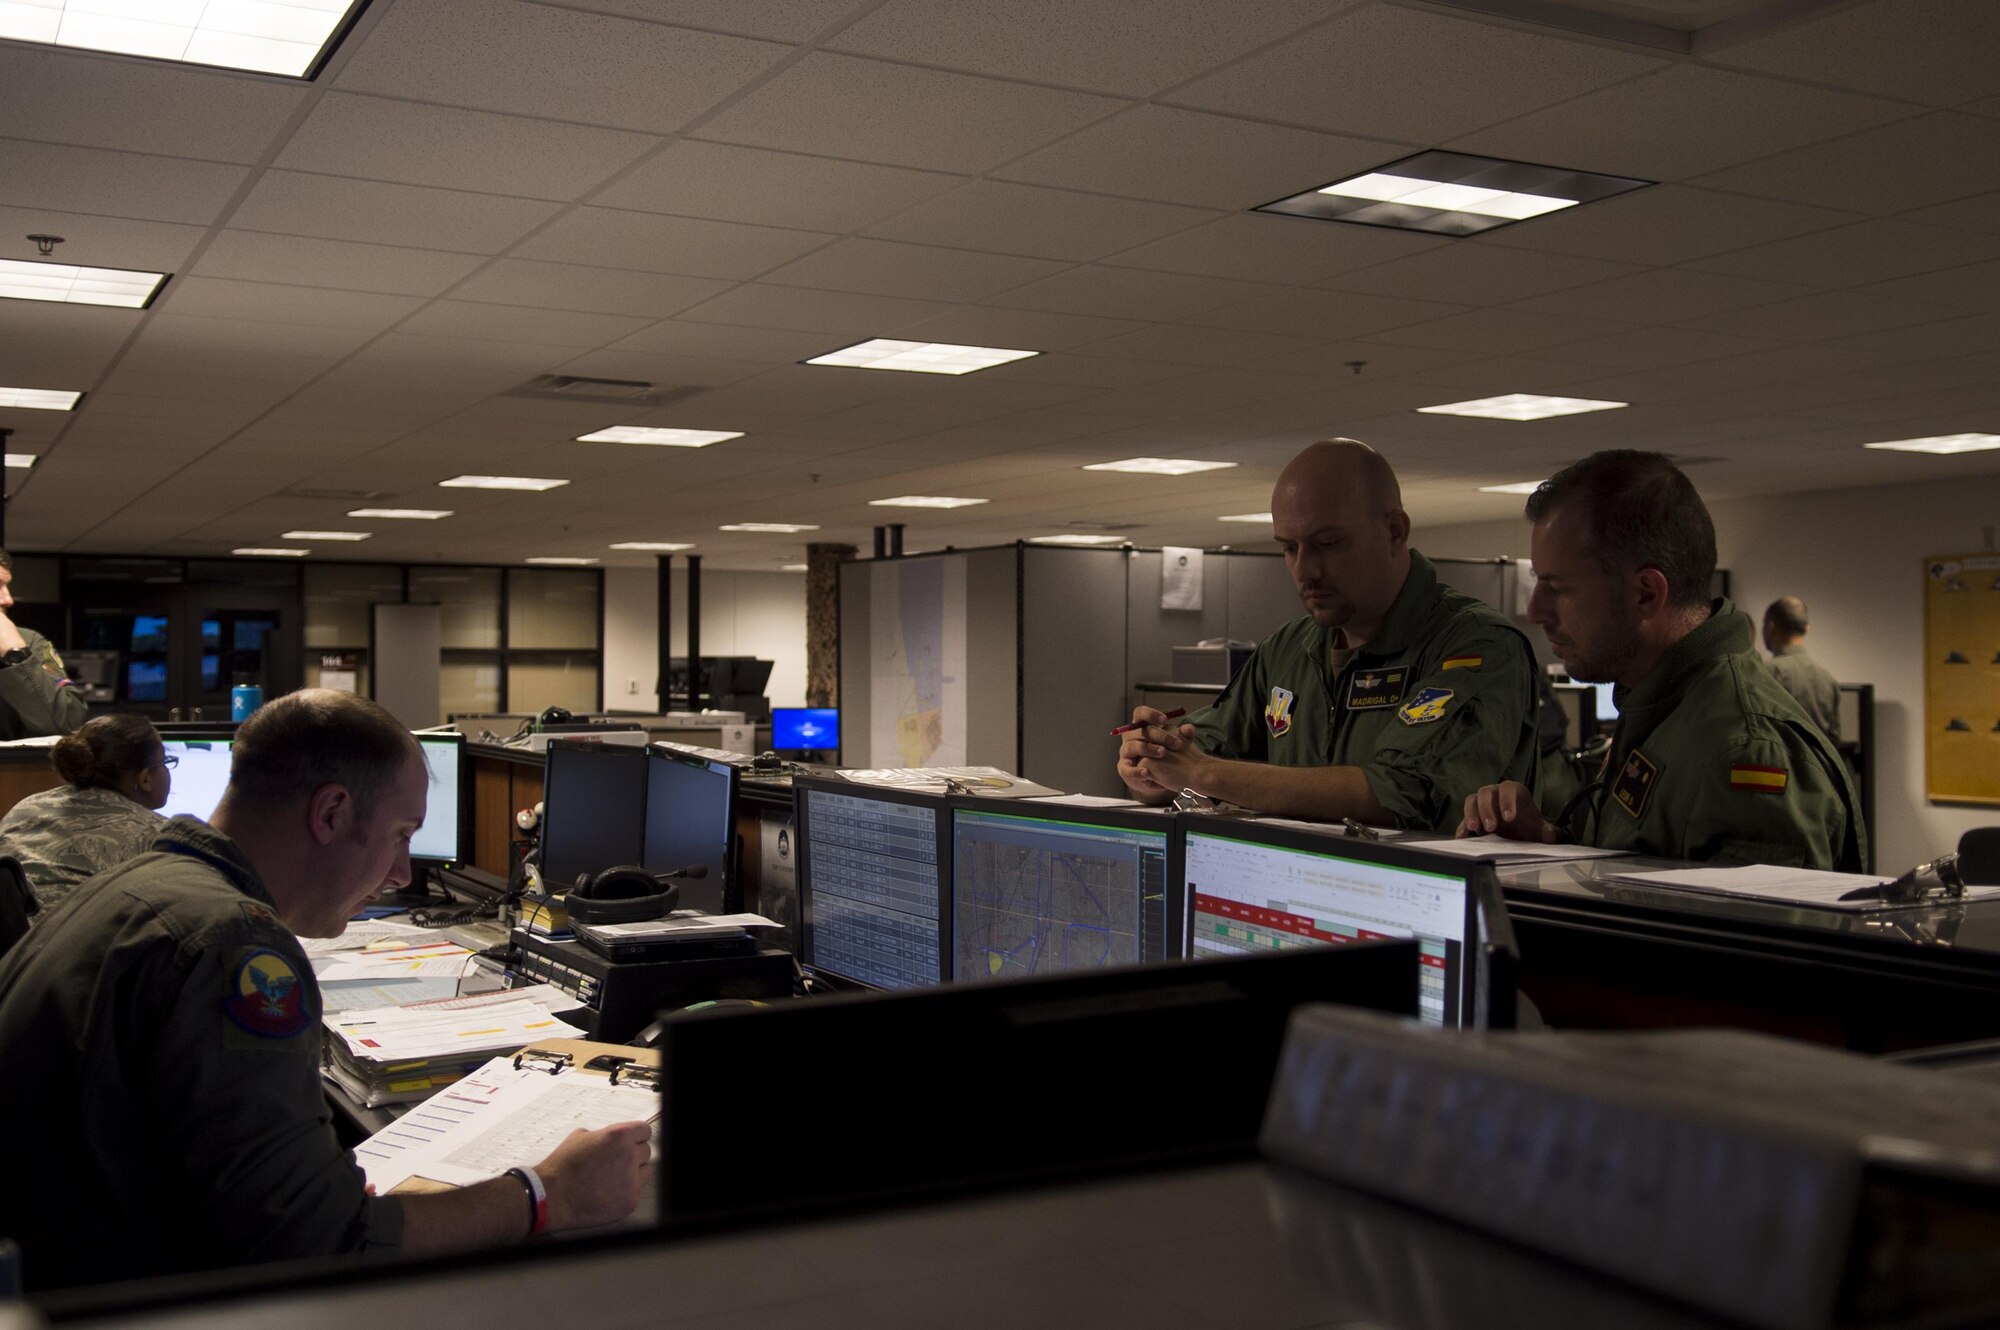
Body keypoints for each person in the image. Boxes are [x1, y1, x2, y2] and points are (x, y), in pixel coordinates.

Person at [0, 690, 649, 1291]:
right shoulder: (232, 944)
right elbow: (322, 1241)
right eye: (401, 835)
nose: (400, 872)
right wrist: (549, 1192)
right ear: (332, 811)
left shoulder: (134, 887)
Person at [1459, 451, 1864, 870]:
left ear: (1646, 594)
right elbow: (1650, 869)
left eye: (1557, 587)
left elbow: (1743, 934)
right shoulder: (1661, 708)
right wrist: (1550, 844)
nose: (1536, 610)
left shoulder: (1743, 749)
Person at [1116, 439, 1539, 832]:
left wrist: (1202, 772)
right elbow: (1203, 747)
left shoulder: (1474, 645)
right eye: (1289, 548)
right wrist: (1151, 765)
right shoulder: (1289, 649)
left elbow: (1405, 794)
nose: (1305, 571)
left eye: (1329, 544)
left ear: (1394, 531)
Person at [0, 713, 169, 913]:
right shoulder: (157, 835)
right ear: (145, 779)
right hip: (78, 942)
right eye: (165, 762)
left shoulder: (26, 807)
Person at [0, 549, 87, 740]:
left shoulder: (28, 642)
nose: (8, 599)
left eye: (7, 586)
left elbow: (68, 724)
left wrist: (16, 656)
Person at [1762, 596, 1842, 744]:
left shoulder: (1765, 673)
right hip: (1818, 766)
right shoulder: (1827, 678)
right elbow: (1834, 737)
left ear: (1770, 627)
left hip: (1781, 765)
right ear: (1806, 628)